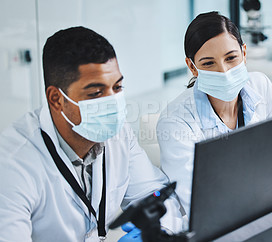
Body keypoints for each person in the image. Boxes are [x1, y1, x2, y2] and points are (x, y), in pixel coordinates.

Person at [0, 26, 182, 241]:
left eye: (117, 87)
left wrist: (154, 231)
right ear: (56, 99)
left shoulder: (118, 133)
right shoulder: (12, 165)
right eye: (96, 92)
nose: (112, 102)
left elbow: (155, 195)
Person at [157, 11, 272, 216]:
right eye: (208, 63)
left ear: (244, 53)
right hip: (219, 221)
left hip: (268, 201)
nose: (224, 72)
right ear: (192, 66)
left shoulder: (261, 85)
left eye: (231, 58)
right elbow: (199, 201)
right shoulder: (175, 122)